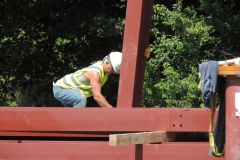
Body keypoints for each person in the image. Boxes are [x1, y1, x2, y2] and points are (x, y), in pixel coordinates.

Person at [53, 52, 122, 108]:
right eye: (113, 69)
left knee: (74, 114)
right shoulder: (95, 73)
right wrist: (111, 111)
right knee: (80, 99)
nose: (113, 72)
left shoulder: (105, 70)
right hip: (61, 89)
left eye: (115, 71)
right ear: (107, 62)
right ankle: (76, 124)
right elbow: (97, 96)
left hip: (70, 90)